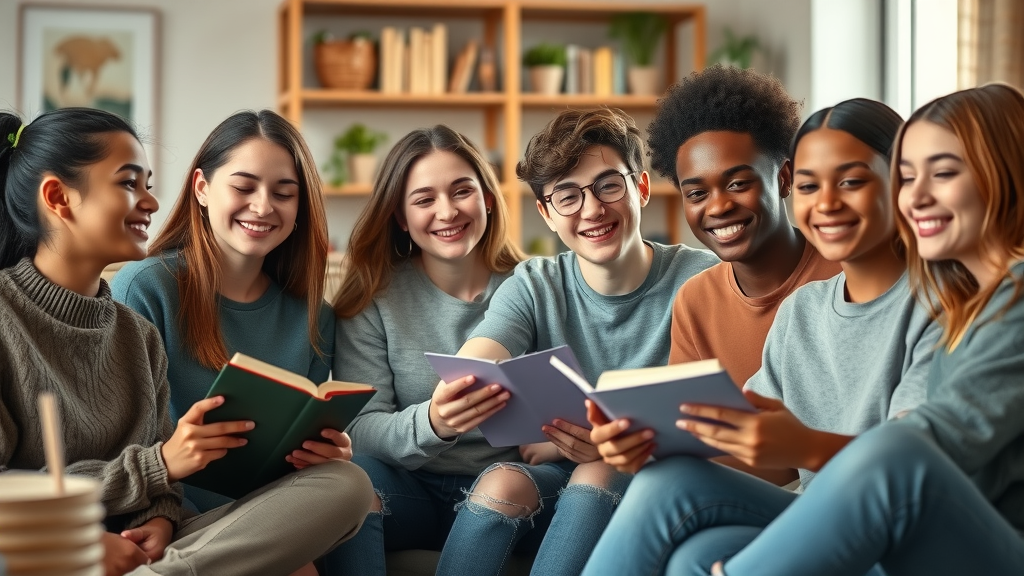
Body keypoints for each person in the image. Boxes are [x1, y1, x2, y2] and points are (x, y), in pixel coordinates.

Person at [0, 107, 372, 576]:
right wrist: (107, 523)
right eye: (128, 184)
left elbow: (157, 480)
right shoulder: (21, 317)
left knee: (349, 484)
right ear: (58, 197)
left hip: (172, 541)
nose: (151, 203)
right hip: (45, 541)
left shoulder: (134, 335)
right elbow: (158, 463)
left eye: (147, 186)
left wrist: (157, 517)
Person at [581, 98, 940, 576]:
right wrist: (647, 444)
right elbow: (759, 452)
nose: (827, 203)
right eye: (813, 186)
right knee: (690, 543)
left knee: (673, 496)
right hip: (819, 511)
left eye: (851, 181)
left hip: (904, 530)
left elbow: (920, 473)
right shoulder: (803, 312)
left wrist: (802, 445)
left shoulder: (944, 304)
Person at [700, 83, 1024, 576]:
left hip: (960, 538)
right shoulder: (968, 299)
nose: (916, 196)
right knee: (680, 515)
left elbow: (918, 456)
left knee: (896, 449)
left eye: (943, 173)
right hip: (910, 523)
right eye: (908, 177)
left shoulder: (991, 298)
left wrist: (803, 444)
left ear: (1001, 174)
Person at [432, 107, 720, 576]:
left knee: (596, 470)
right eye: (566, 196)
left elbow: (717, 412)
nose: (591, 209)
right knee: (501, 483)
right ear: (546, 213)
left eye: (608, 185)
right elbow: (482, 352)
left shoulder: (702, 277)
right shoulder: (535, 281)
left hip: (657, 477)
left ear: (641, 188)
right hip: (557, 474)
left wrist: (607, 446)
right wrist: (464, 381)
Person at [590, 67, 840, 480]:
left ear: (784, 178)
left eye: (738, 183)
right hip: (731, 501)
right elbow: (692, 442)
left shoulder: (842, 275)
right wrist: (642, 447)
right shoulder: (696, 300)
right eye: (697, 194)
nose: (718, 207)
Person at [111, 110, 338, 515]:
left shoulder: (314, 315)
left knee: (351, 481)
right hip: (176, 512)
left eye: (284, 193)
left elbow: (301, 449)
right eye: (244, 187)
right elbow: (127, 449)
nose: (263, 206)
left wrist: (327, 454)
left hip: (280, 507)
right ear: (201, 187)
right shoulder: (145, 288)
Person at [324, 125, 526, 575]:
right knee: (345, 479)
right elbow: (359, 427)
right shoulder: (373, 298)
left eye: (462, 191)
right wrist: (433, 423)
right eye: (424, 199)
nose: (447, 211)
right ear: (400, 217)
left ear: (488, 198)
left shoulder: (535, 285)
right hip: (408, 491)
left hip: (508, 492)